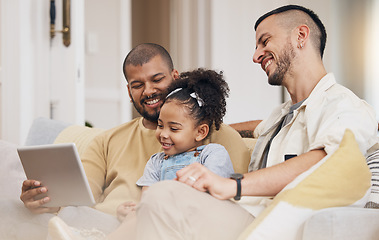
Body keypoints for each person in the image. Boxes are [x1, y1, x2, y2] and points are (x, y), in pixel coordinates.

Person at [125, 5, 378, 240]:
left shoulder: (342, 105)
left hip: (272, 220)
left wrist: (232, 185)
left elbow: (331, 160)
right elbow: (256, 127)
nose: (256, 56)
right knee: (144, 210)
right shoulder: (280, 116)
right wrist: (195, 126)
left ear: (301, 35)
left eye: (264, 41)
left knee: (163, 196)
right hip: (246, 212)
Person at [19, 43, 251, 217]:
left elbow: (234, 202)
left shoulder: (217, 137)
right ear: (129, 91)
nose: (148, 91)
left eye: (157, 80)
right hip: (104, 225)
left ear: (175, 77)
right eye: (137, 85)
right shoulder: (107, 140)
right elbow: (80, 196)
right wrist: (47, 199)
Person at [47, 68, 236, 240]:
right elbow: (147, 202)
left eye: (174, 128)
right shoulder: (157, 161)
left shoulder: (212, 154)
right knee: (136, 216)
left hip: (194, 221)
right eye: (161, 125)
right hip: (158, 222)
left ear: (200, 132)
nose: (163, 134)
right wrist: (129, 212)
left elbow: (214, 193)